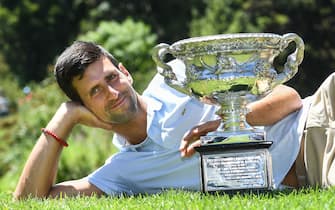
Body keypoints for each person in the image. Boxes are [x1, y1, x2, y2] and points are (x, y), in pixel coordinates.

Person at [14, 41, 309, 199]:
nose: (112, 92)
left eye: (112, 78)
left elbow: (290, 98)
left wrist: (224, 124)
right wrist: (63, 118)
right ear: (84, 107)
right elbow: (30, 200)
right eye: (95, 92)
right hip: (315, 172)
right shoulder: (122, 171)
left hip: (311, 126)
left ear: (125, 72)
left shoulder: (178, 78)